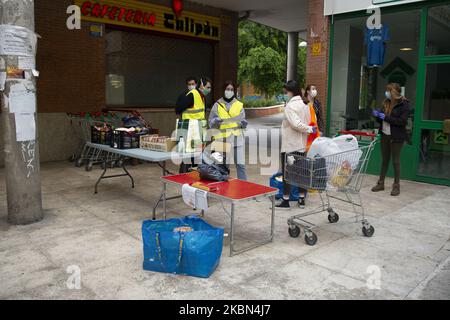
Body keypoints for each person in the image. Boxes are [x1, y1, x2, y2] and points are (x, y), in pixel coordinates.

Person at [276, 80, 317, 209]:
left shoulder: (290, 106)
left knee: (287, 173)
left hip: (290, 145)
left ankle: (286, 200)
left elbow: (296, 124)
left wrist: (309, 129)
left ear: (290, 91)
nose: (285, 94)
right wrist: (309, 129)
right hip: (301, 144)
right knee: (301, 173)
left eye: (286, 91)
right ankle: (301, 200)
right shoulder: (305, 104)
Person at [371, 83, 410, 196]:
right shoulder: (386, 103)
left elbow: (402, 121)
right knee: (384, 160)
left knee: (395, 161)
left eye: (388, 91)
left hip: (396, 137)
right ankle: (381, 183)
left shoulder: (404, 104)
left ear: (394, 92)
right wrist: (377, 116)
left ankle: (396, 186)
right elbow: (381, 121)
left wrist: (386, 117)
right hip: (385, 135)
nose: (386, 93)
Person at [209, 81, 248, 180]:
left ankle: (243, 186)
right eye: (227, 89)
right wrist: (215, 121)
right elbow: (210, 123)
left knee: (241, 165)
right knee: (224, 166)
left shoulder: (239, 105)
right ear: (223, 90)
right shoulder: (217, 105)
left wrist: (244, 124)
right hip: (222, 140)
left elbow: (242, 122)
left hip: (237, 139)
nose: (229, 91)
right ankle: (223, 188)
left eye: (231, 89)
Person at [175, 76, 212, 173]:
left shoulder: (202, 96)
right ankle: (183, 177)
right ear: (202, 86)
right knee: (186, 157)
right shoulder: (192, 95)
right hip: (189, 130)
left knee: (196, 157)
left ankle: (192, 177)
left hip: (197, 131)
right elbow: (178, 109)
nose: (209, 90)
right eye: (207, 87)